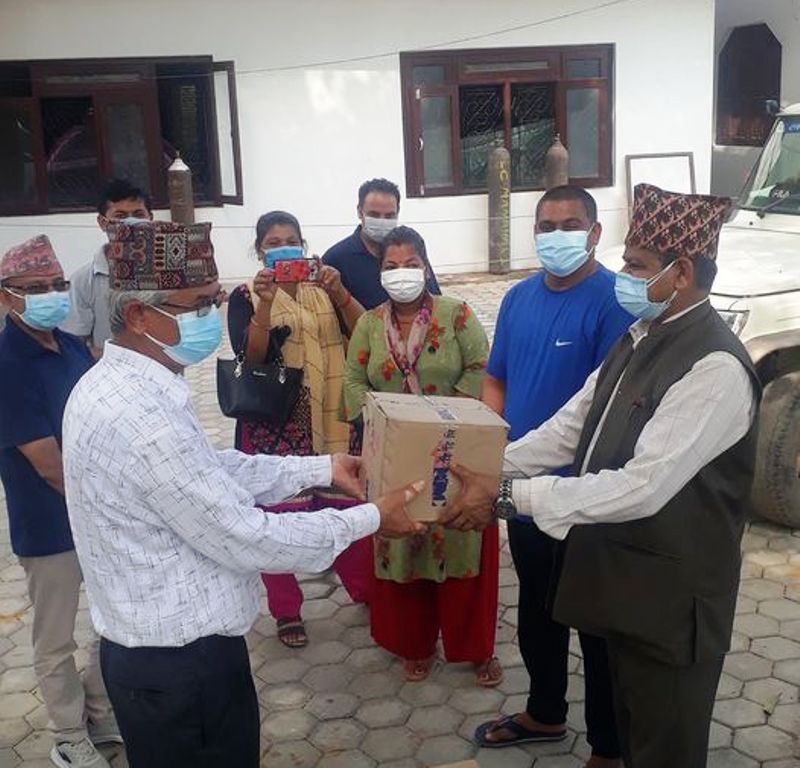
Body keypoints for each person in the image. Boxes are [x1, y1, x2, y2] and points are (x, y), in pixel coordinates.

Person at [61, 219, 424, 768]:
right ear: (137, 315)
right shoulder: (140, 418)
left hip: (165, 658)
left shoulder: (120, 385)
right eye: (198, 305)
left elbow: (209, 468)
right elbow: (246, 536)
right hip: (182, 670)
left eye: (214, 300)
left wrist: (322, 468)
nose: (211, 316)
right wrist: (370, 518)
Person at [444, 184, 760, 768]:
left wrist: (507, 496)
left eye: (636, 266)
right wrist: (481, 470)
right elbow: (568, 429)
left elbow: (641, 485)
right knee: (628, 719)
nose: (624, 278)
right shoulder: (639, 339)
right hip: (626, 579)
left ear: (681, 272)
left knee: (663, 743)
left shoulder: (714, 367)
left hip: (672, 603)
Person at [474, 186, 631, 766]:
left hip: (583, 495)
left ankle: (608, 746)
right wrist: (491, 446)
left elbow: (609, 404)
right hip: (521, 489)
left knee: (596, 624)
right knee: (538, 610)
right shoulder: (517, 299)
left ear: (594, 233)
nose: (556, 235)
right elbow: (496, 379)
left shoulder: (613, 302)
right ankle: (545, 711)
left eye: (569, 225)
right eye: (546, 226)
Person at [341, 225, 501, 686]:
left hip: (454, 447)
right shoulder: (370, 324)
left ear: (426, 267)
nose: (402, 273)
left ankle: (475, 647)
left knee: (461, 537)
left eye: (410, 264)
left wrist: (443, 418)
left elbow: (481, 366)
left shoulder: (457, 314)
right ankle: (414, 643)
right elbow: (354, 380)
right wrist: (385, 419)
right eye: (391, 266)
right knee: (403, 540)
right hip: (396, 453)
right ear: (380, 273)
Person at [0, 235, 118, 768]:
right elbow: (47, 463)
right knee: (55, 637)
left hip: (95, 513)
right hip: (49, 525)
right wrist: (103, 505)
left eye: (54, 284)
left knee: (112, 619)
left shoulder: (70, 347)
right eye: (32, 288)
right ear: (6, 296)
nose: (48, 295)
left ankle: (101, 711)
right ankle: (69, 734)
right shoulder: (7, 363)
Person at [227, 210, 369, 648]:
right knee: (279, 518)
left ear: (304, 247)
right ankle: (286, 609)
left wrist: (340, 292)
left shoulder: (323, 288)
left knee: (346, 504)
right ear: (259, 251)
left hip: (332, 415)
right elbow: (251, 358)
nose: (283, 248)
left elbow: (366, 333)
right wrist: (265, 305)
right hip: (278, 423)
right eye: (273, 242)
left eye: (291, 240)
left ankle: (365, 589)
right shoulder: (245, 295)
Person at [61, 179, 153, 358]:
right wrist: (121, 359)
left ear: (150, 218)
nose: (130, 223)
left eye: (138, 214)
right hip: (109, 371)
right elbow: (75, 344)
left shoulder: (170, 273)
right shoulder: (83, 280)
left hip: (164, 371)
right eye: (120, 216)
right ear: (102, 223)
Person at [322, 177, 441, 309]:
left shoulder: (411, 250)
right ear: (360, 211)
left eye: (389, 216)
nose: (382, 221)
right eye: (374, 215)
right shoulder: (336, 259)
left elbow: (435, 299)